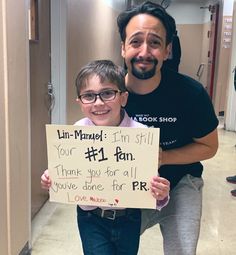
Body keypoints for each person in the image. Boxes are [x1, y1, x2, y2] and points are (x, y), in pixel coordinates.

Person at [117, 1, 219, 254]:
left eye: (155, 42)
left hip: (181, 181)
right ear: (122, 48)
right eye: (135, 41)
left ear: (167, 50)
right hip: (131, 182)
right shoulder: (110, 92)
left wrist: (164, 157)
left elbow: (209, 146)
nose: (144, 51)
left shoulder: (191, 93)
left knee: (182, 250)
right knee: (115, 243)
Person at [41, 60, 170, 255]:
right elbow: (67, 169)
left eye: (108, 93)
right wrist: (53, 177)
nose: (99, 102)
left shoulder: (141, 135)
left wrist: (161, 195)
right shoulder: (77, 132)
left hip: (130, 218)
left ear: (123, 98)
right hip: (90, 218)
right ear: (80, 103)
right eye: (89, 96)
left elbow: (151, 186)